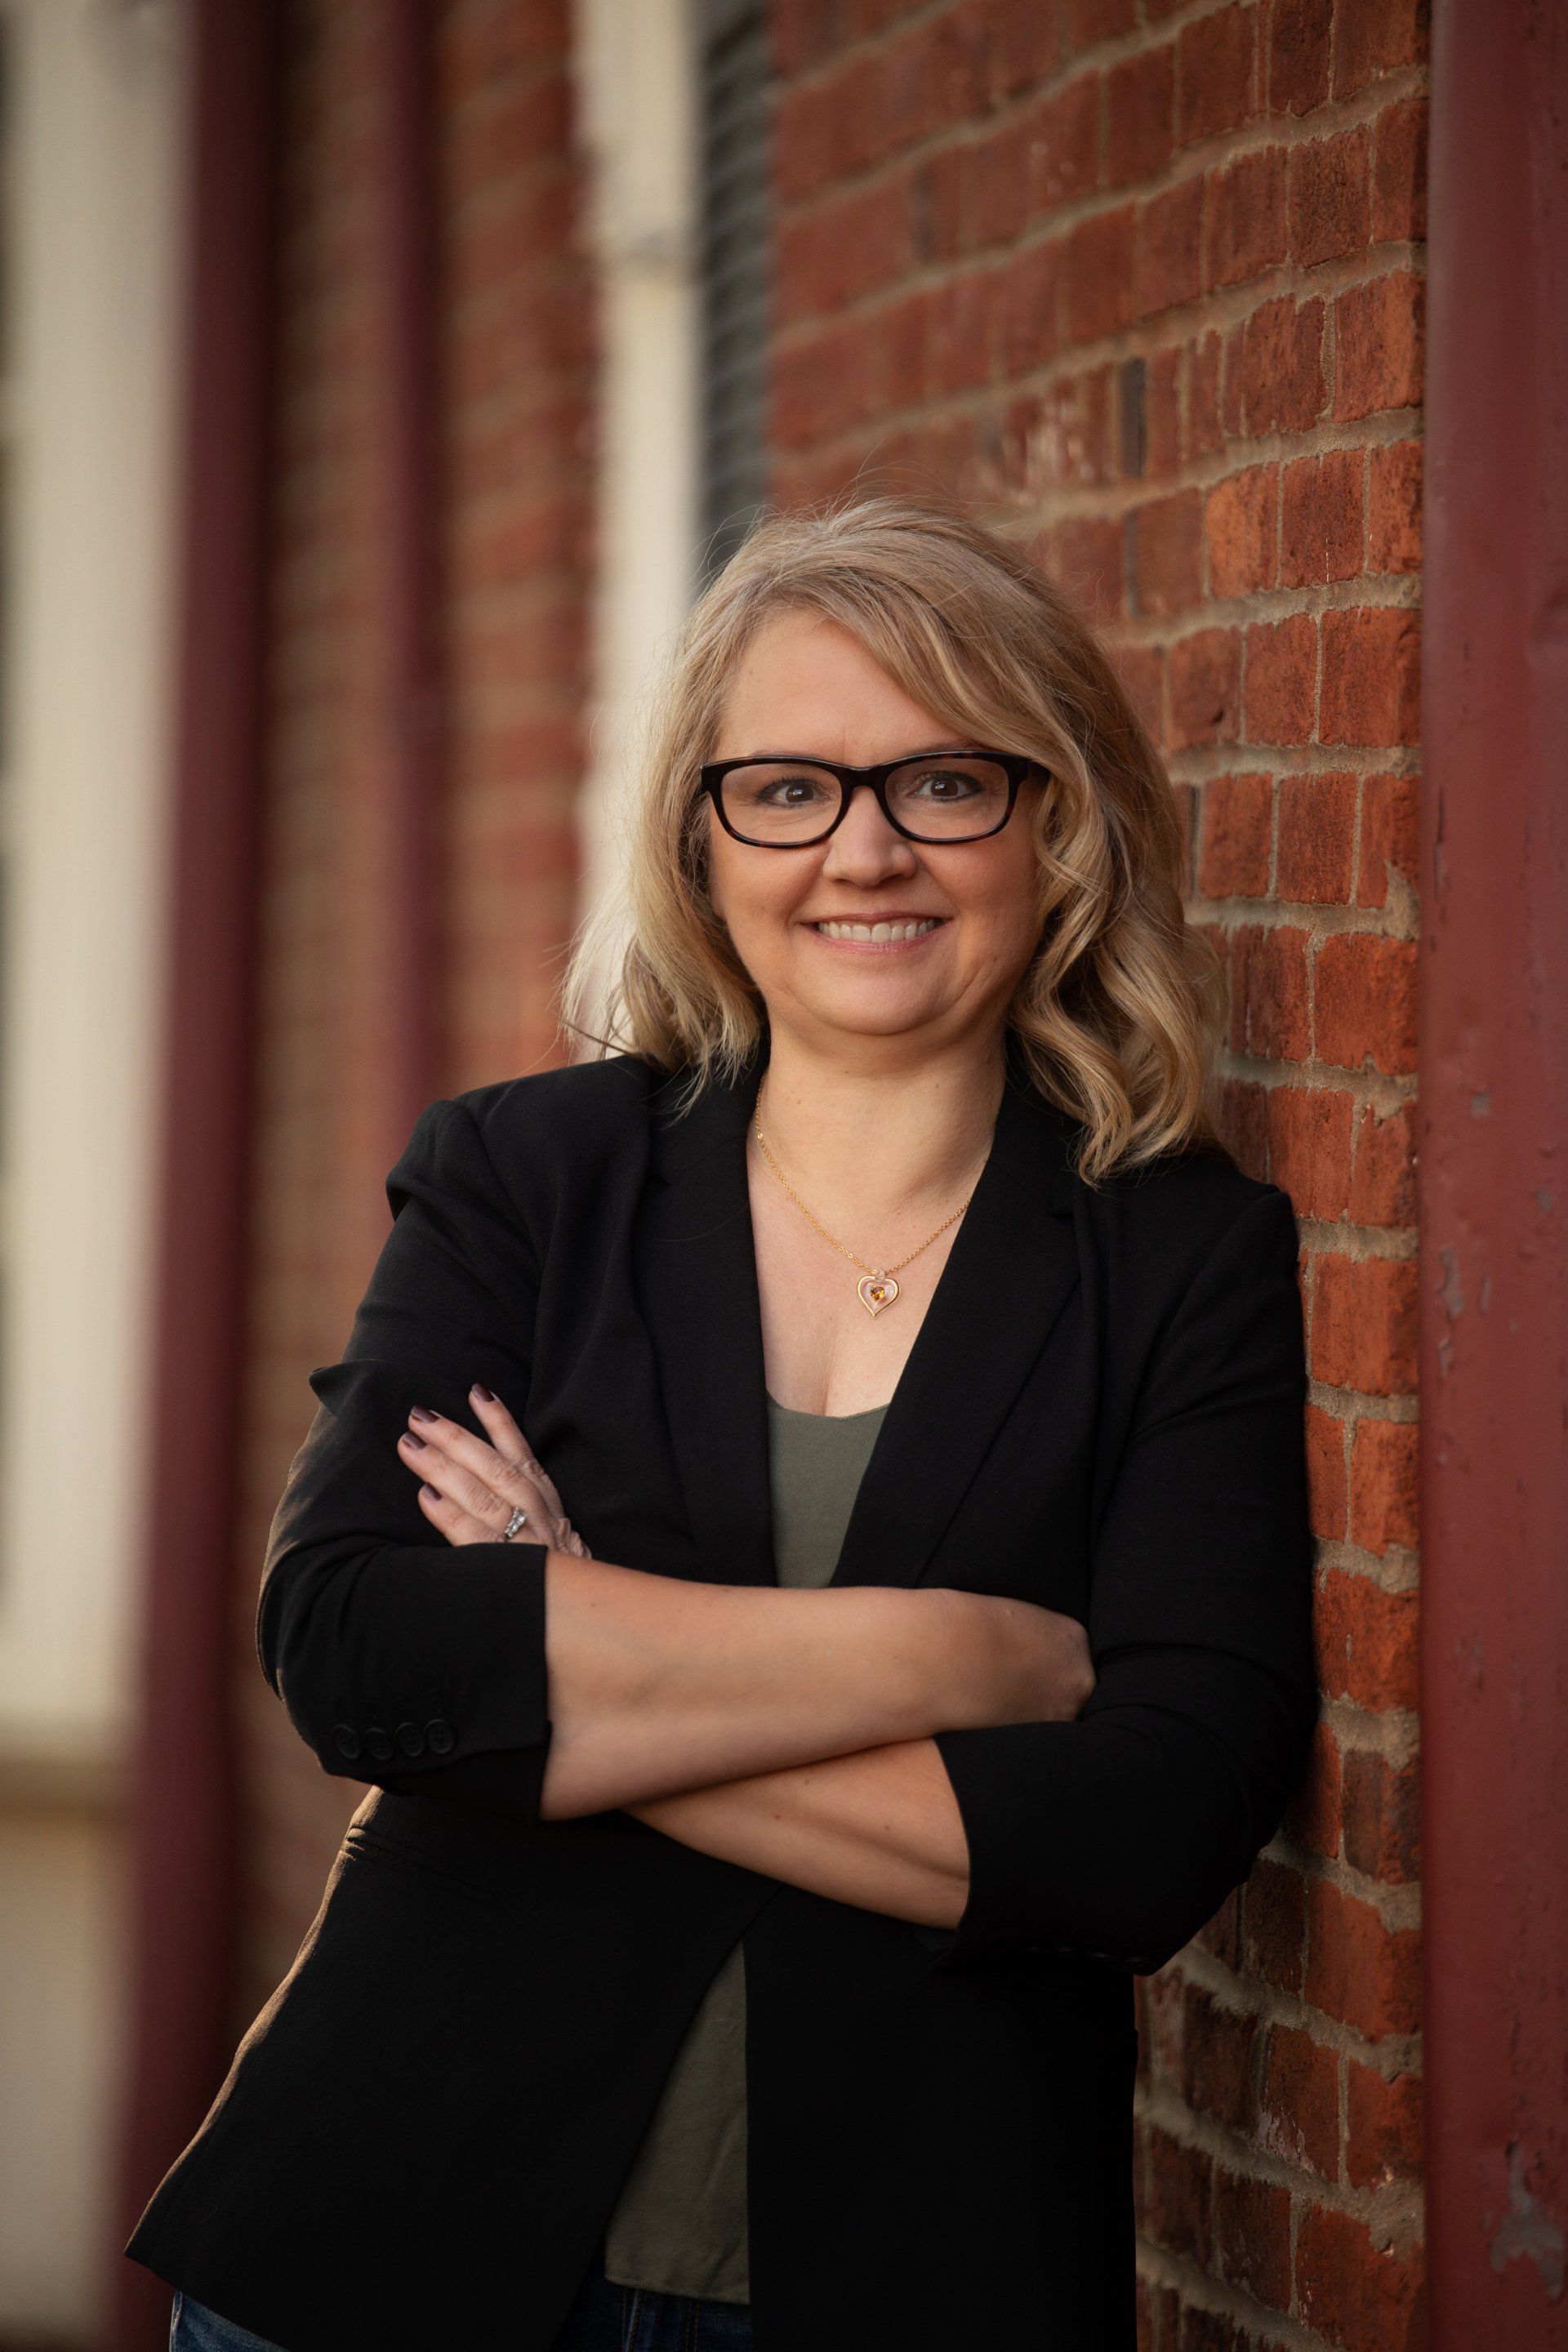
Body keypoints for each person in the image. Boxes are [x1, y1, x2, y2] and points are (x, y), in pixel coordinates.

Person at [125, 495, 1316, 2352]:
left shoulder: (1181, 1256)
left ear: (1057, 823)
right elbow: (357, 1651)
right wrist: (954, 1659)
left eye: (946, 783)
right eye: (788, 790)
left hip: (909, 2271)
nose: (864, 850)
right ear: (702, 835)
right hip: (398, 2228)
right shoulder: (532, 1177)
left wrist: (567, 1652)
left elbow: (1149, 1830)